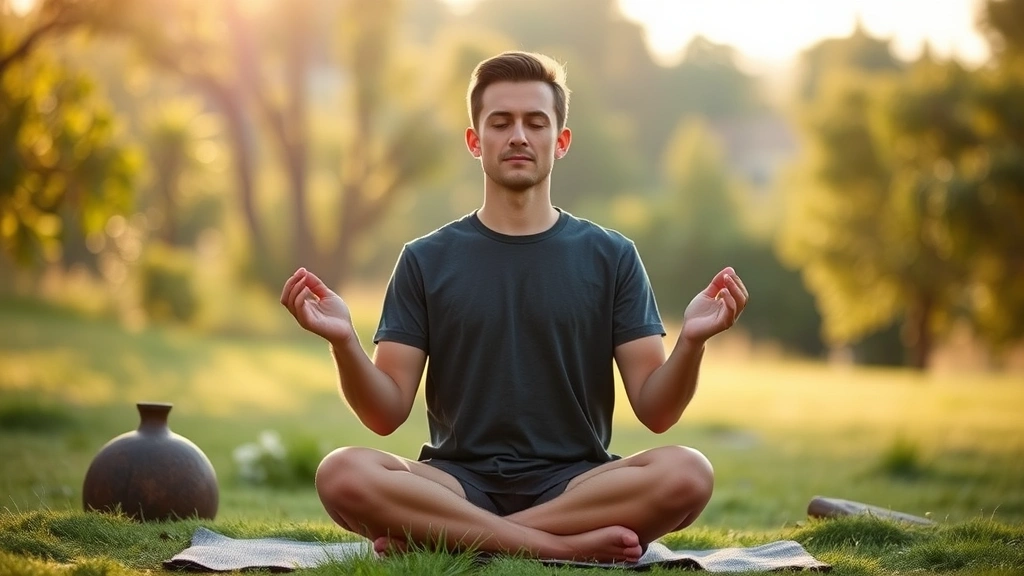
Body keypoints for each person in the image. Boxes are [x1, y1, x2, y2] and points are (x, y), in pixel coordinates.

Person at [280, 50, 748, 564]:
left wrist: (693, 342)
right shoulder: (424, 259)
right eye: (500, 123)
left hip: (579, 487)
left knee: (689, 472)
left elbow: (657, 411)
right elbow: (385, 413)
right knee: (342, 472)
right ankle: (554, 549)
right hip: (454, 483)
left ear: (561, 141)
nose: (519, 136)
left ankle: (452, 538)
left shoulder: (612, 256)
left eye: (536, 122)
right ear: (475, 141)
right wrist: (344, 341)